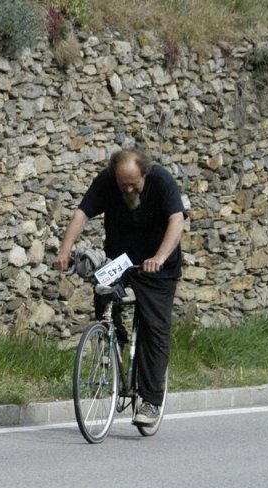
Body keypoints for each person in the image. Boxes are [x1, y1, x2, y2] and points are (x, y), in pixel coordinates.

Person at [54, 148, 186, 426]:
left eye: (133, 184)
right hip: (120, 259)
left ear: (145, 174)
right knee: (102, 289)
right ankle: (113, 336)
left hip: (157, 265)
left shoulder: (161, 181)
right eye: (122, 184)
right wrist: (65, 250)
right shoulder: (106, 181)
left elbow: (177, 220)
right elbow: (81, 214)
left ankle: (150, 401)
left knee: (154, 328)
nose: (127, 189)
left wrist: (159, 257)